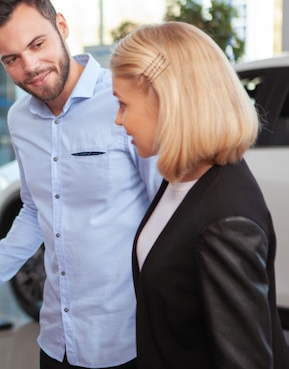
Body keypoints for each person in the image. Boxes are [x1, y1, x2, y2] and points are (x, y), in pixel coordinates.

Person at [0, 0, 162, 369]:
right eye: (11, 58)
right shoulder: (20, 118)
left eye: (37, 45)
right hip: (56, 339)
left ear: (62, 27)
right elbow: (35, 210)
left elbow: (167, 212)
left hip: (128, 340)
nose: (29, 67)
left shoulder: (124, 101)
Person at [109, 21, 289, 369]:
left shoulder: (226, 219)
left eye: (123, 104)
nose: (118, 120)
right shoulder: (182, 177)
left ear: (166, 100)